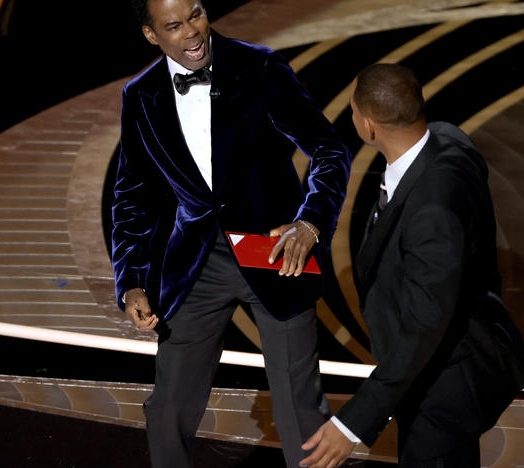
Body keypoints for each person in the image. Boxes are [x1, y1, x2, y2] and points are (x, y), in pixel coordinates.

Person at [111, 0, 352, 466]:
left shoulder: (259, 66)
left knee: (300, 412)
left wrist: (311, 221)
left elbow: (329, 149)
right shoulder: (140, 95)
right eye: (174, 26)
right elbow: (132, 195)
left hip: (275, 253)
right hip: (196, 263)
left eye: (196, 15)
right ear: (150, 35)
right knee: (167, 410)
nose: (192, 33)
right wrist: (132, 280)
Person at [300, 64, 524, 468]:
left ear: (368, 127)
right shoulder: (449, 139)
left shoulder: (433, 212)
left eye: (353, 111)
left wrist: (353, 424)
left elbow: (427, 325)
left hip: (441, 388)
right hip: (438, 369)